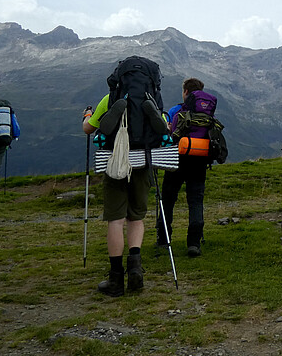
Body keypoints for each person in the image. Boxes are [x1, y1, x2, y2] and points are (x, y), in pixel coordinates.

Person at [83, 96, 152, 297]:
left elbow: (88, 129)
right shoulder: (150, 98)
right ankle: (135, 269)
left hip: (114, 163)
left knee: (116, 219)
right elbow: (163, 126)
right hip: (142, 162)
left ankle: (116, 278)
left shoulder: (109, 99)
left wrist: (87, 116)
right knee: (136, 216)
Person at [157, 78, 214, 257]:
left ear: (186, 92)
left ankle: (164, 239)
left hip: (176, 160)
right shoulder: (208, 115)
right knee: (196, 201)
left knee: (168, 200)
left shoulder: (176, 110)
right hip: (199, 162)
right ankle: (194, 243)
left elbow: (171, 135)